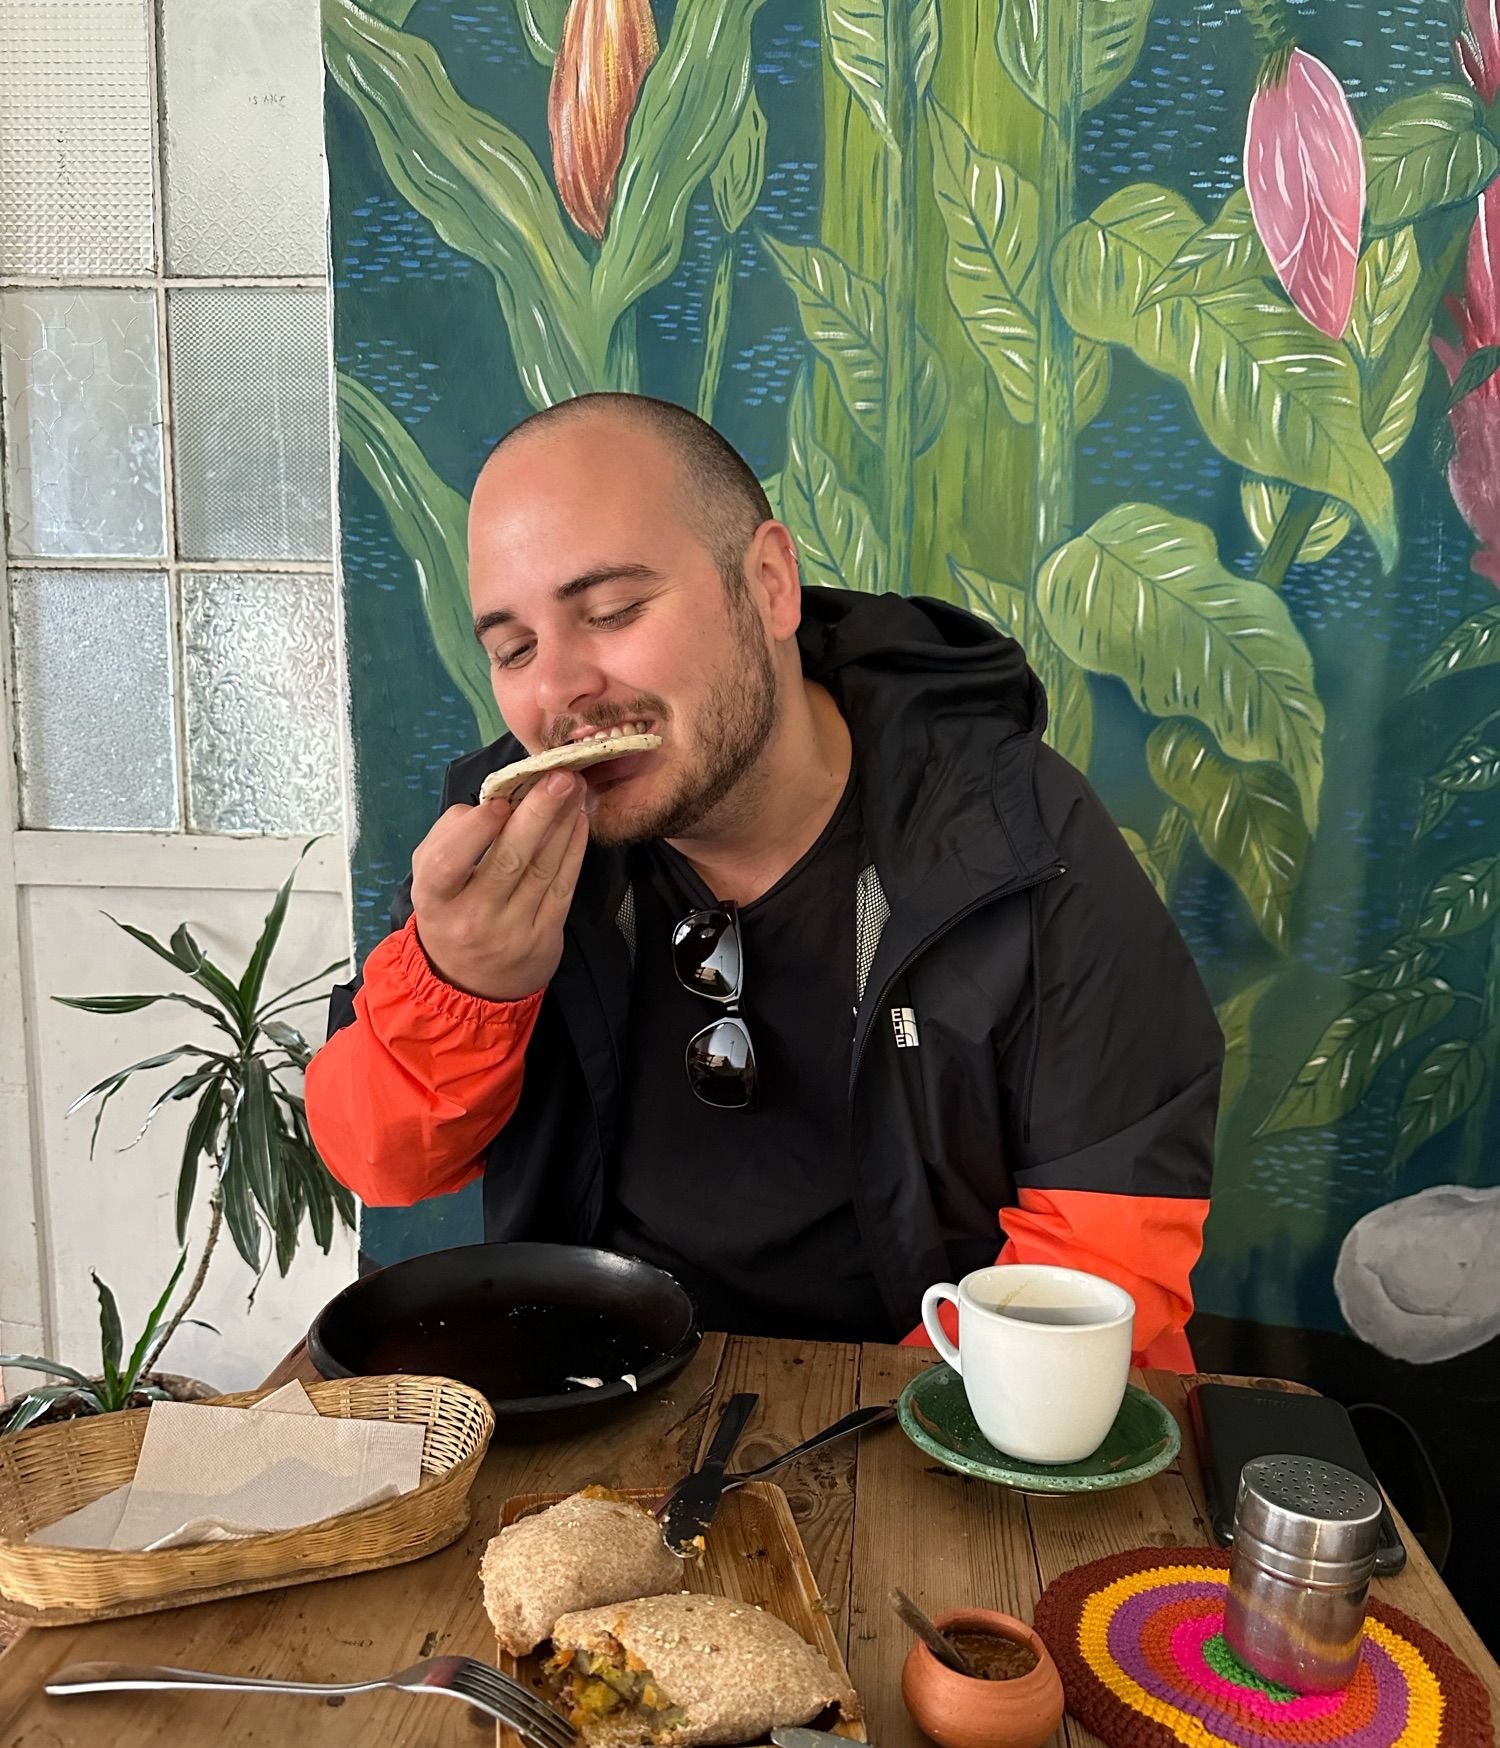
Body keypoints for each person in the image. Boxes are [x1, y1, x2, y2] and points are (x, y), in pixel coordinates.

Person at [306, 394, 1223, 1367]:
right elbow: (380, 1161)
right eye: (514, 648)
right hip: (595, 1398)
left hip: (933, 1419)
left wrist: (867, 1438)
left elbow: (1099, 1268)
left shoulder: (1018, 836)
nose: (559, 689)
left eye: (612, 611)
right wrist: (463, 987)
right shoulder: (507, 852)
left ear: (771, 584)